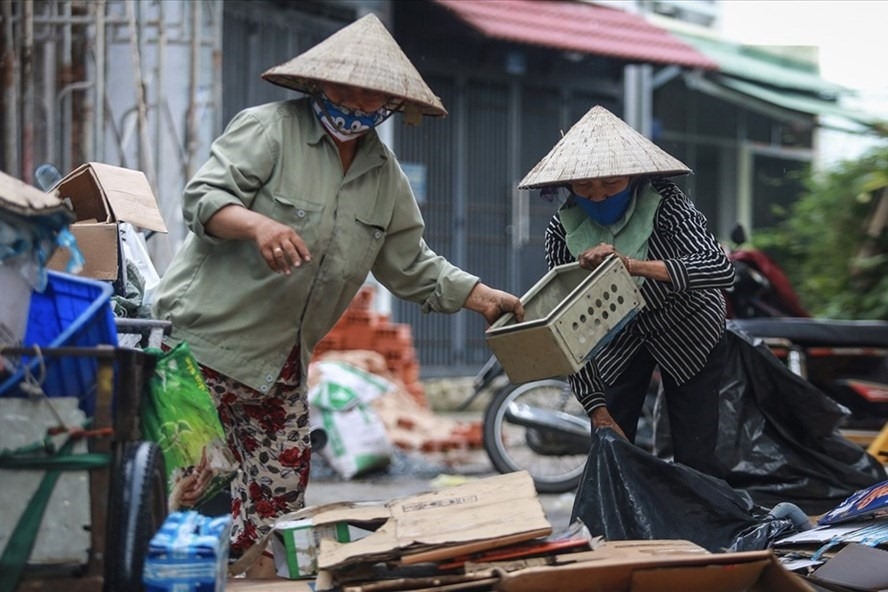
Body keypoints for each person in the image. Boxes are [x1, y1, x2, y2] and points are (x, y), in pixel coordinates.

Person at [151, 13, 524, 569]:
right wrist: (258, 226)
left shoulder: (384, 174)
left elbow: (410, 265)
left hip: (281, 365)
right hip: (202, 350)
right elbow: (203, 199)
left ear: (390, 105)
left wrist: (482, 297)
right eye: (346, 87)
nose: (356, 102)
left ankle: (250, 578)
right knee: (188, 493)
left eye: (373, 95)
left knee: (280, 502)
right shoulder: (268, 129)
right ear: (319, 82)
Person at [517, 105, 734, 479]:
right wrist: (596, 409)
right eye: (585, 186)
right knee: (610, 446)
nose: (598, 196)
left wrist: (631, 266)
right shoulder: (562, 230)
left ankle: (702, 525)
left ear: (633, 177)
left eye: (610, 184)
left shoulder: (668, 205)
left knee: (695, 449)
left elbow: (720, 268)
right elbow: (566, 330)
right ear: (568, 187)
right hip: (619, 332)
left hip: (689, 324)